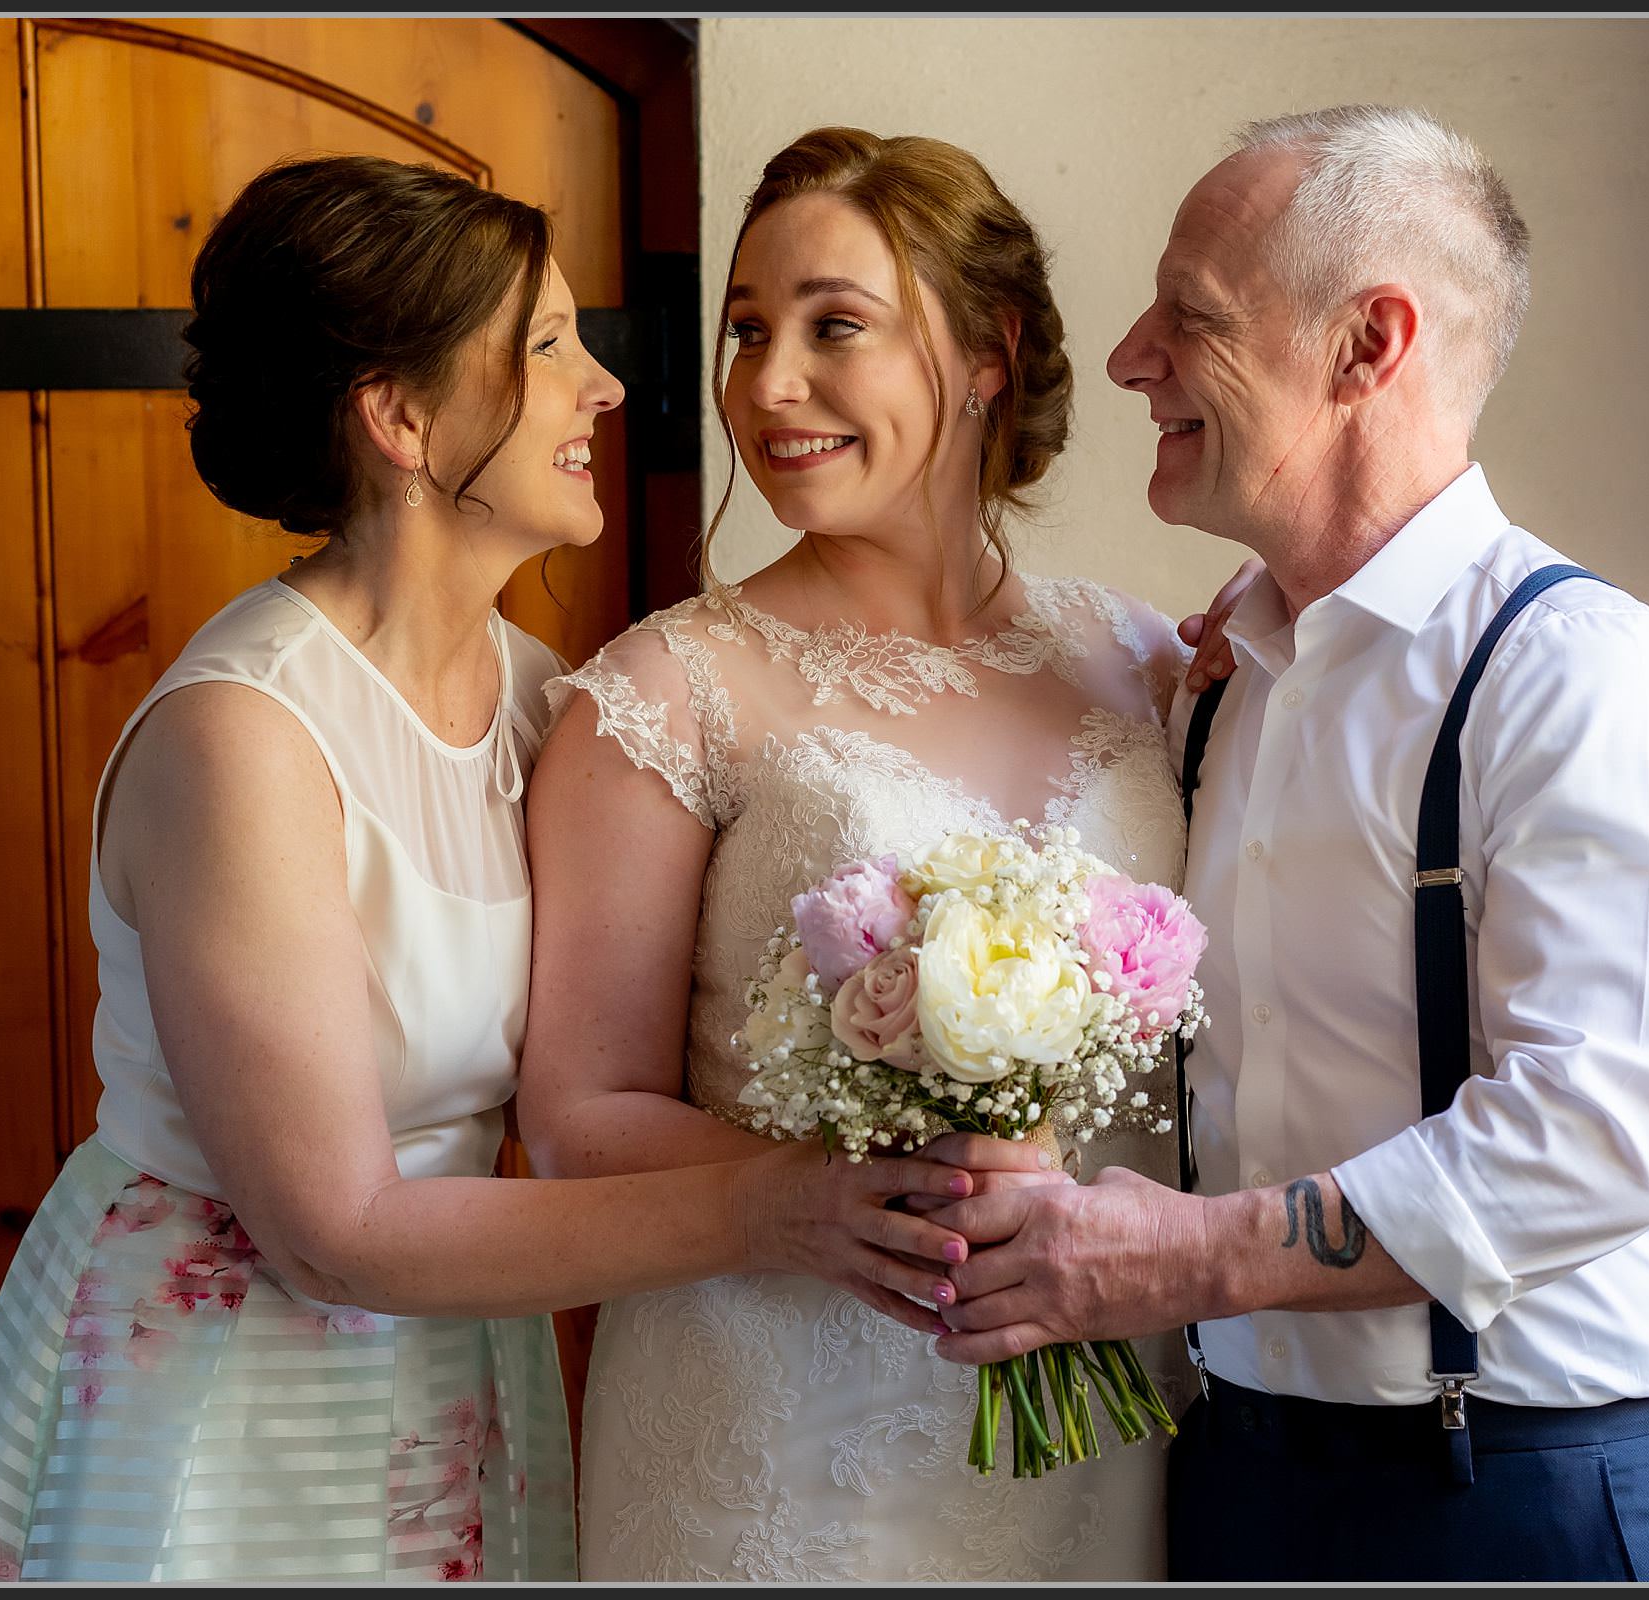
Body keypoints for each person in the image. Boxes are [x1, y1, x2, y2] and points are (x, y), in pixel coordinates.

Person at [0, 153, 1030, 1585]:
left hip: (453, 1374)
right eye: (550, 347)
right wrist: (772, 1207)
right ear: (399, 415)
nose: (607, 389)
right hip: (230, 1384)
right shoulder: (241, 743)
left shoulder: (540, 702)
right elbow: (335, 1231)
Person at [933, 104, 1649, 1583]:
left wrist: (1182, 1258)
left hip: (1517, 1504)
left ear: (1369, 346)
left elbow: (1601, 1137)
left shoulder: (1580, 675)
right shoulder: (1219, 685)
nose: (1127, 358)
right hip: (1236, 1480)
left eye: (1191, 316)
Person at [518, 126, 1233, 1582]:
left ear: (985, 353)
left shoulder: (1143, 662)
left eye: (834, 326)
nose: (767, 386)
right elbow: (579, 1113)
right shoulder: (666, 697)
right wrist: (843, 1193)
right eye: (745, 332)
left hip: (1098, 1425)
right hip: (777, 1431)